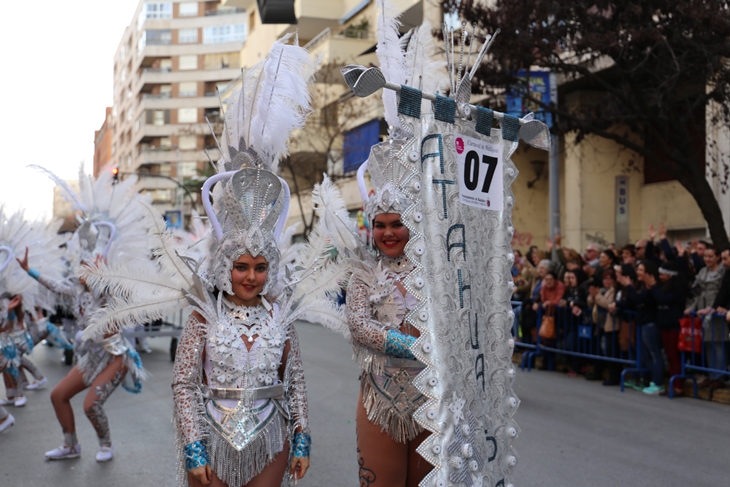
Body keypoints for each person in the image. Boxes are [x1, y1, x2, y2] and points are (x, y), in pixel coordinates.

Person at [27, 166, 150, 462]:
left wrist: (105, 279)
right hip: (89, 357)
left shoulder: (108, 289)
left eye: (86, 266)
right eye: (79, 266)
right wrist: (28, 270)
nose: (80, 271)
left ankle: (105, 445)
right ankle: (71, 446)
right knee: (58, 395)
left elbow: (125, 297)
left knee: (91, 405)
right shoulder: (75, 290)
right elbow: (55, 284)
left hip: (115, 356)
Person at [617, 261, 662, 394]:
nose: (638, 272)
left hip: (650, 324)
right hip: (642, 323)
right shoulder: (642, 287)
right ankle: (649, 380)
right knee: (644, 354)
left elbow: (638, 299)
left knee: (654, 354)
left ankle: (657, 382)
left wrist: (629, 286)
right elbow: (632, 302)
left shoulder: (652, 289)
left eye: (641, 270)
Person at [686, 245, 727, 389]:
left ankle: (719, 375)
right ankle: (711, 374)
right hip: (703, 310)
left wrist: (718, 307)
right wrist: (692, 308)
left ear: (717, 258)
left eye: (711, 256)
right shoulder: (702, 271)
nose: (707, 259)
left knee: (718, 343)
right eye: (705, 256)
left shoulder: (723, 271)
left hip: (716, 310)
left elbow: (724, 292)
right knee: (708, 343)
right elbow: (697, 292)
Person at [646, 261, 687, 396]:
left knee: (675, 355)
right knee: (669, 354)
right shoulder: (663, 286)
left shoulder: (677, 289)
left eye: (662, 274)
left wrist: (653, 286)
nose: (660, 276)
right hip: (664, 323)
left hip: (674, 323)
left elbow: (663, 299)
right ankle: (672, 383)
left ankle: (679, 385)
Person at [588, 269, 621, 385]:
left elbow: (609, 304)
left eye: (609, 278)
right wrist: (592, 296)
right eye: (604, 278)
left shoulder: (614, 290)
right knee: (599, 349)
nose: (606, 281)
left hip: (610, 323)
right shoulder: (602, 290)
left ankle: (614, 376)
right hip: (599, 322)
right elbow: (591, 303)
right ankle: (597, 371)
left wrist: (597, 296)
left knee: (611, 350)